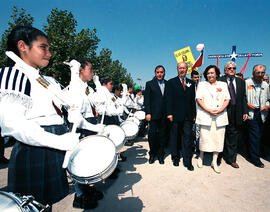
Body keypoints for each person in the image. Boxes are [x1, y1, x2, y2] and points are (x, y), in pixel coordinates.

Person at [0, 26, 79, 208]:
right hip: (34, 148)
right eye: (43, 47)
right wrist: (58, 141)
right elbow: (14, 124)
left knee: (45, 205)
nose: (49, 53)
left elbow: (71, 101)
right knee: (31, 204)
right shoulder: (13, 74)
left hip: (51, 143)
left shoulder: (40, 78)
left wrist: (74, 74)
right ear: (22, 46)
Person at [64, 58, 105, 209]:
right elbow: (74, 113)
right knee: (78, 161)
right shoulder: (73, 86)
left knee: (88, 159)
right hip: (79, 125)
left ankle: (87, 189)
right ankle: (80, 195)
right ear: (81, 70)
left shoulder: (86, 87)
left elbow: (100, 101)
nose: (92, 72)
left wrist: (97, 84)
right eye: (90, 69)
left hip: (89, 121)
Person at [195, 65, 230, 174]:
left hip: (219, 116)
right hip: (206, 115)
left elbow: (227, 99)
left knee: (218, 139)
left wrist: (220, 110)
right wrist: (208, 110)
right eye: (208, 73)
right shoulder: (202, 84)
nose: (210, 75)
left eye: (212, 73)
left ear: (217, 74)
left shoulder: (223, 84)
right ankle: (201, 158)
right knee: (204, 138)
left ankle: (214, 162)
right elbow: (198, 99)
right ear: (206, 74)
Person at [166, 62, 196, 171]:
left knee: (187, 138)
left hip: (188, 116)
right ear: (177, 69)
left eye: (184, 68)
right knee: (175, 137)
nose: (182, 70)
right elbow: (168, 100)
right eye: (180, 68)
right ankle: (175, 157)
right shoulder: (171, 82)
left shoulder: (191, 83)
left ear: (187, 69)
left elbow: (192, 100)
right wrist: (169, 113)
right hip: (175, 115)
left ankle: (187, 161)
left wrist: (194, 114)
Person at [218, 61, 248, 168]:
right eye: (230, 68)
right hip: (223, 111)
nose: (232, 70)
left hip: (236, 111)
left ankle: (232, 159)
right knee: (221, 134)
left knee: (233, 135)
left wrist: (245, 111)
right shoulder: (219, 81)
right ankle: (218, 157)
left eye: (234, 68)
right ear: (225, 70)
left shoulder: (241, 82)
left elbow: (244, 97)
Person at [245, 64, 269, 168]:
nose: (260, 75)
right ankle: (256, 159)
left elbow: (269, 99)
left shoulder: (266, 85)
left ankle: (253, 154)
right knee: (254, 136)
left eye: (262, 72)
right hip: (251, 112)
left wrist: (267, 106)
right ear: (253, 73)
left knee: (259, 136)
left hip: (262, 113)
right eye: (258, 72)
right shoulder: (247, 82)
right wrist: (247, 104)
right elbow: (241, 97)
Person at [144, 65, 168, 164]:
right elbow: (147, 100)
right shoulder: (149, 84)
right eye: (158, 72)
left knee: (162, 136)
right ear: (155, 73)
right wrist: (148, 113)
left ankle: (161, 154)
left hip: (164, 115)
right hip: (153, 115)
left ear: (164, 73)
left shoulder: (168, 84)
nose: (159, 74)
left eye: (161, 72)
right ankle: (152, 154)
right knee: (152, 136)